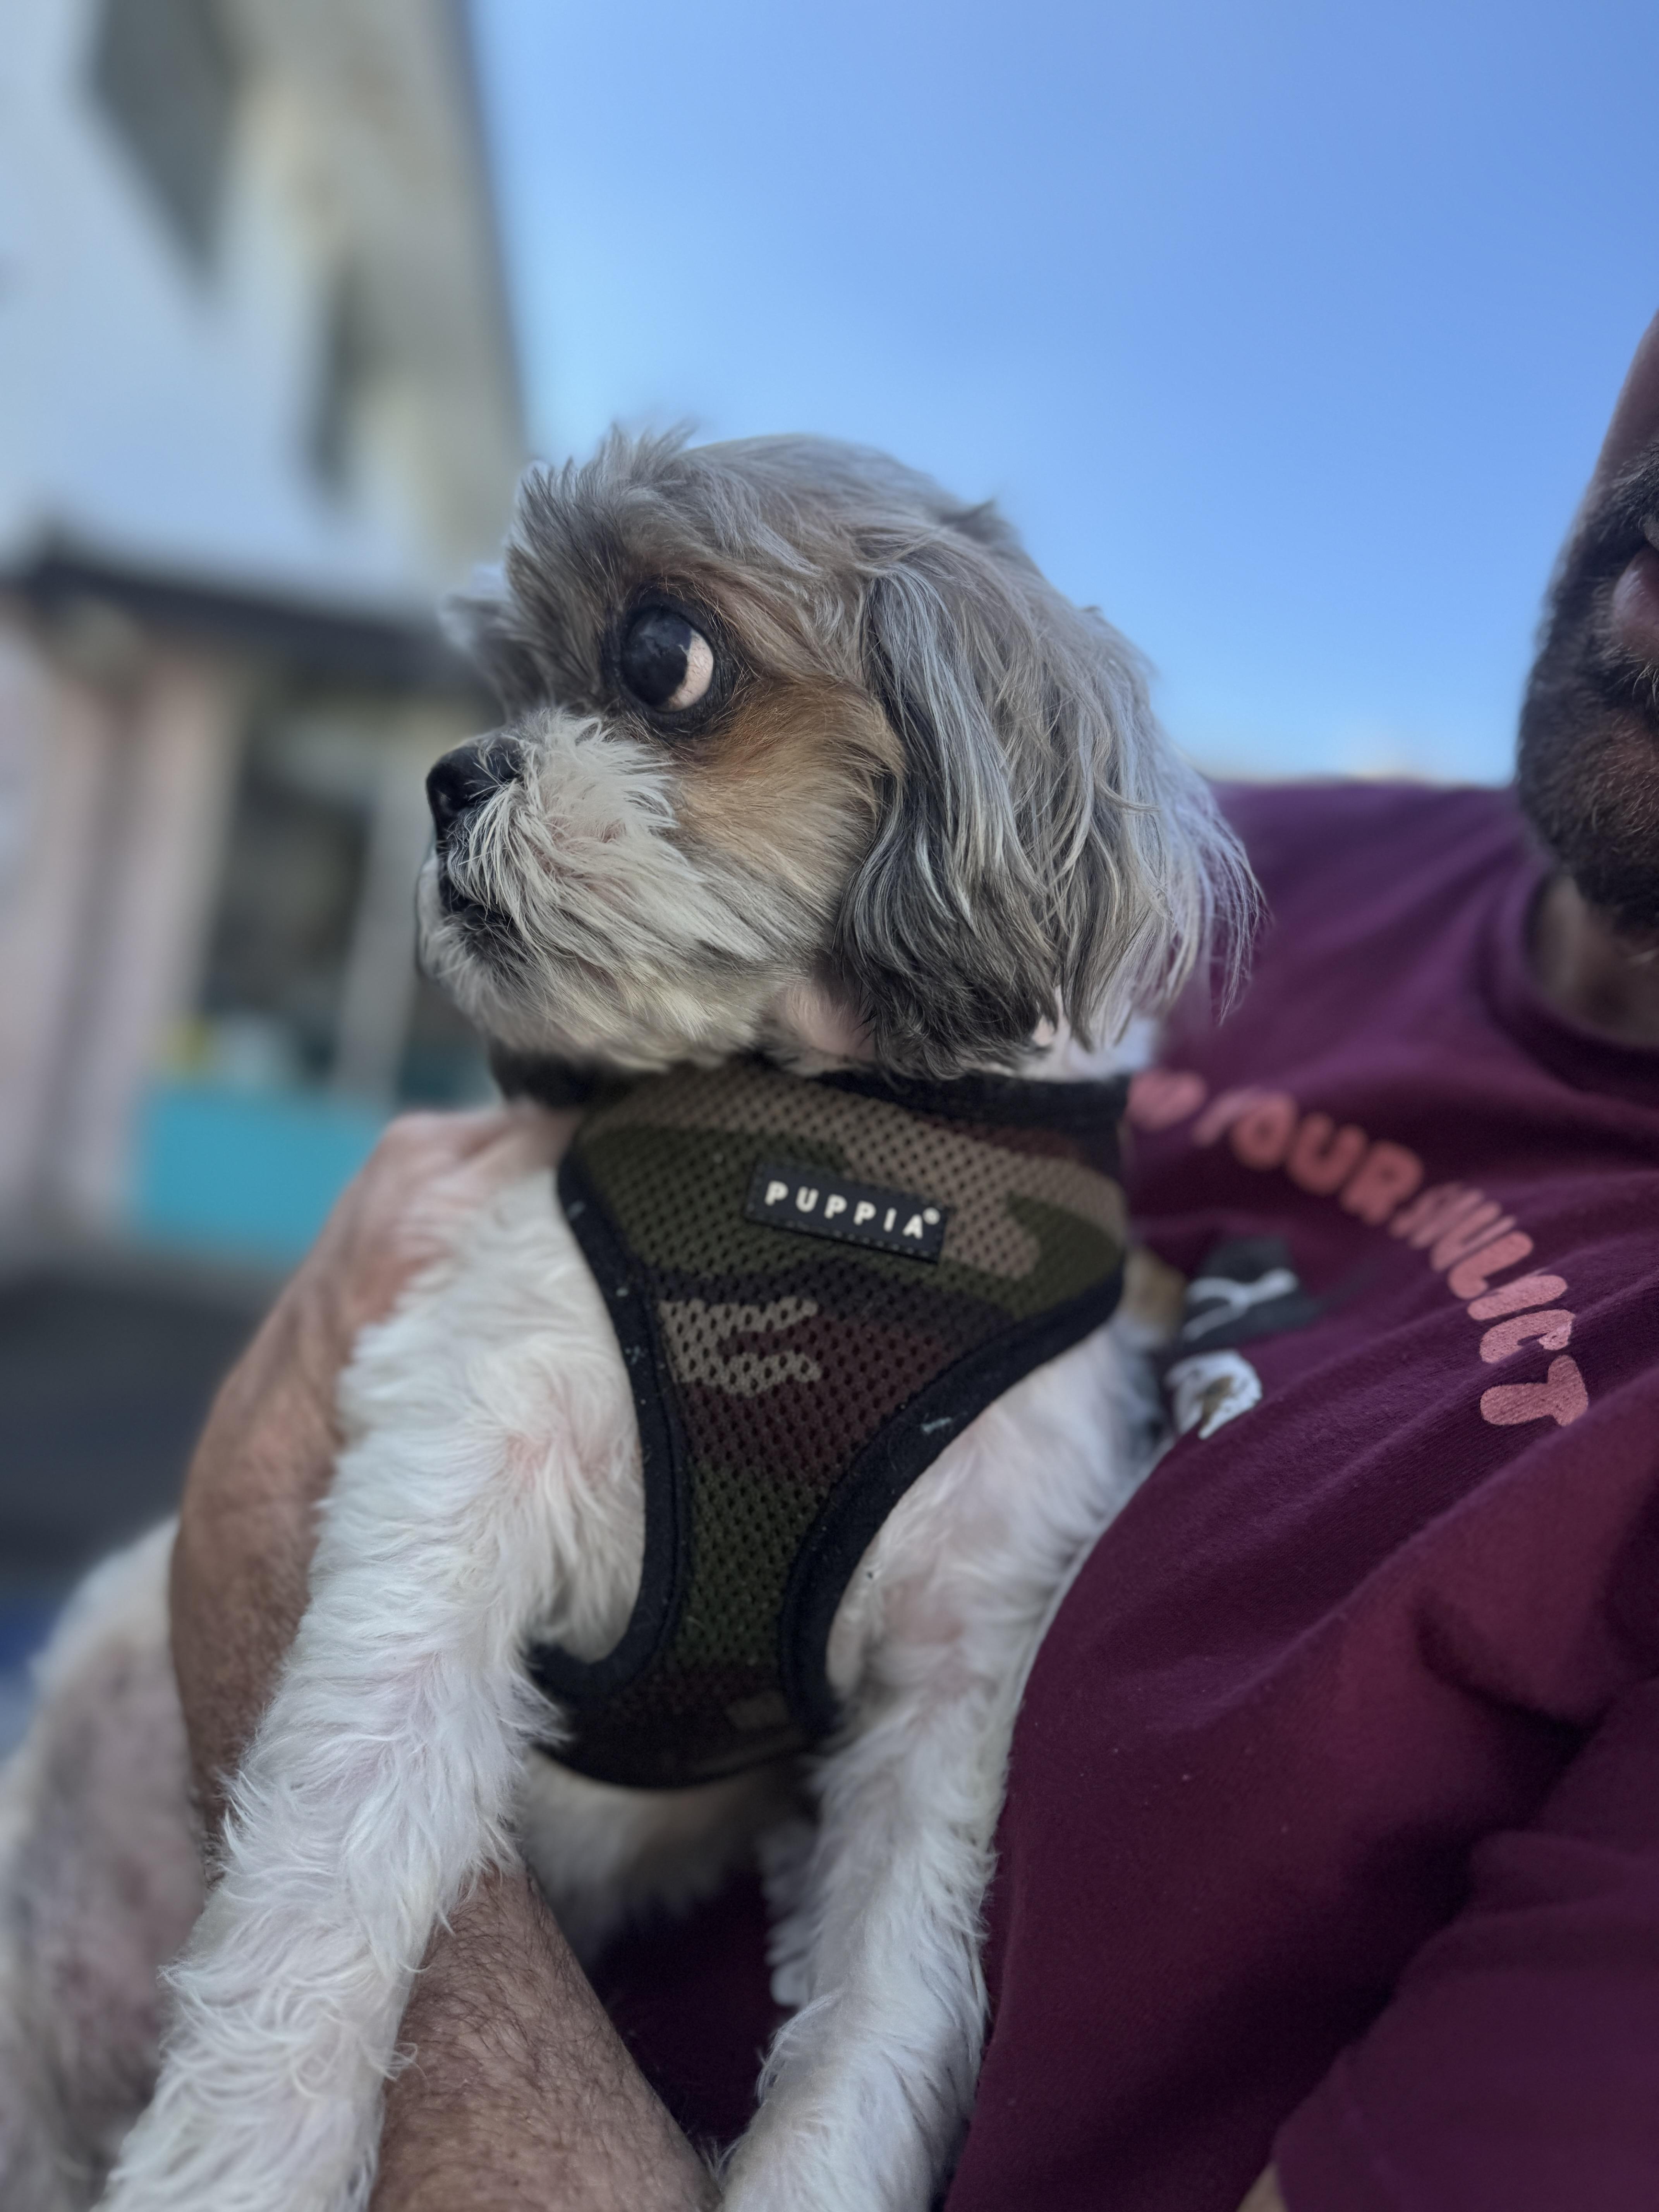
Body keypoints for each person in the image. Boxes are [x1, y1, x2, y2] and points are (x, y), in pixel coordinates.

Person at [169, 306, 1659, 2212]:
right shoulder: (1282, 870)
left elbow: (301, 1511)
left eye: (666, 666)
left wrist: (262, 1545)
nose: (507, 764)